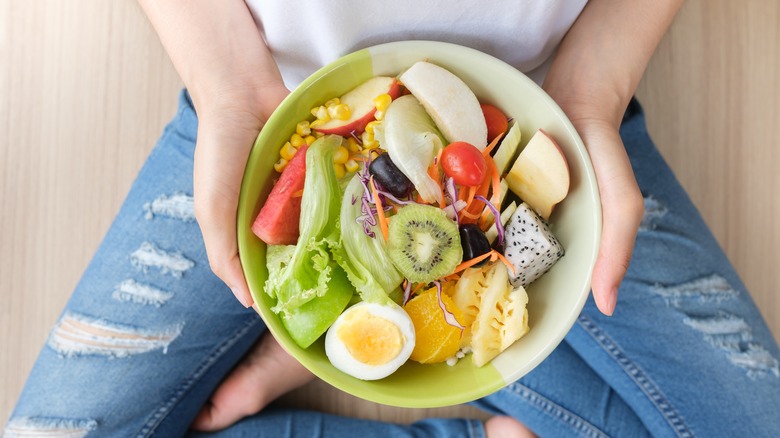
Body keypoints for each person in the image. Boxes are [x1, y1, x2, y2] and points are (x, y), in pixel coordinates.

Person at [5, 1, 780, 437]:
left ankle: (355, 358)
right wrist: (224, 84)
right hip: (271, 109)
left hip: (546, 120)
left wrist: (594, 89)